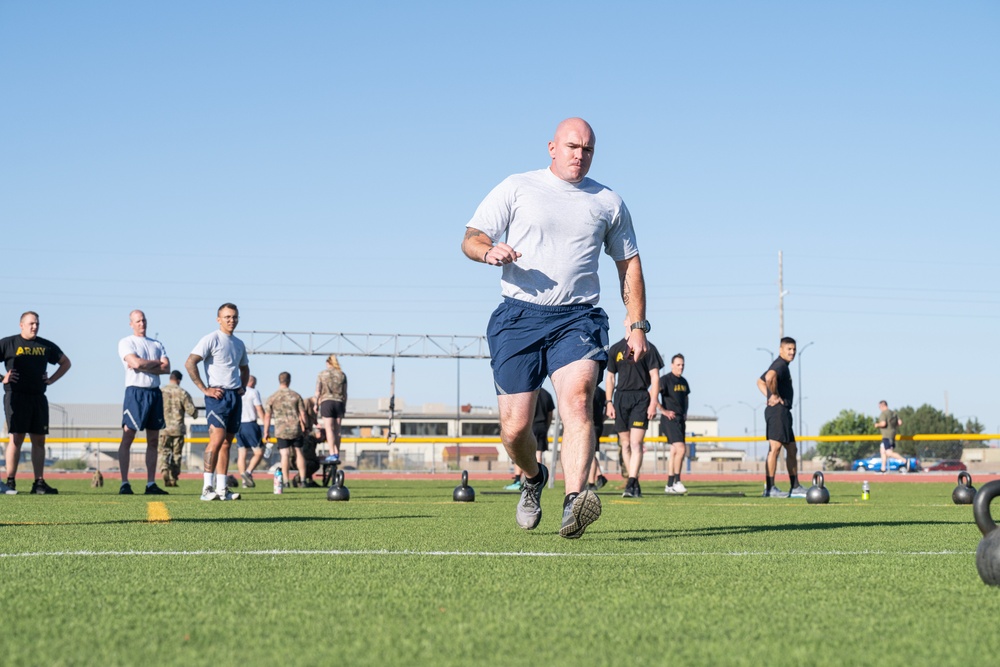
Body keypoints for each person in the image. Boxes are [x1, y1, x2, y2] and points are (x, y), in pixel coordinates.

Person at [461, 117, 649, 538]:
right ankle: (532, 478)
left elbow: (629, 263)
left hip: (577, 317)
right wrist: (488, 251)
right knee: (514, 428)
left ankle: (574, 502)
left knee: (579, 403)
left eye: (587, 149)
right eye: (571, 147)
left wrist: (636, 323)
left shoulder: (608, 202)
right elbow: (471, 237)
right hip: (519, 317)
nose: (579, 155)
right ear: (551, 147)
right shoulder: (517, 186)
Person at [1, 311, 71, 495]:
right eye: (31, 323)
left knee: (39, 439)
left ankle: (39, 483)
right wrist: (2, 378)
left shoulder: (45, 345)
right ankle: (10, 481)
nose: (34, 326)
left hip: (38, 397)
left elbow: (66, 363)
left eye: (37, 324)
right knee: (16, 438)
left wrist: (51, 380)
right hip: (16, 396)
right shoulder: (9, 343)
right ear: (21, 325)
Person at [184, 303, 249, 501]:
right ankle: (207, 488)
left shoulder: (239, 343)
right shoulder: (211, 339)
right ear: (218, 319)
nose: (232, 320)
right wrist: (205, 389)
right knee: (217, 440)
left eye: (234, 317)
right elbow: (190, 362)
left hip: (234, 397)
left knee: (228, 444)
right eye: (227, 317)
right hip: (217, 397)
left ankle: (222, 489)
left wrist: (242, 387)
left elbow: (245, 369)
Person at [116, 309, 171, 495]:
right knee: (128, 436)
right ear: (131, 323)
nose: (142, 323)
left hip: (154, 393)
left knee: (153, 440)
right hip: (135, 393)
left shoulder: (157, 344)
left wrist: (144, 364)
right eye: (138, 321)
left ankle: (150, 483)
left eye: (144, 320)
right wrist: (154, 363)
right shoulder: (126, 342)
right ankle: (124, 482)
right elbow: (135, 363)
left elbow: (166, 368)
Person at [606, 335, 663, 498]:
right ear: (625, 322)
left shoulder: (648, 348)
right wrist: (608, 402)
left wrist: (653, 403)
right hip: (621, 397)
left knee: (636, 443)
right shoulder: (616, 349)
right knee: (625, 444)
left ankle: (630, 483)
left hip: (640, 397)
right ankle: (634, 481)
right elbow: (610, 377)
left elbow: (655, 377)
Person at [756, 338, 806, 498]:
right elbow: (769, 377)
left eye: (794, 349)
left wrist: (770, 395)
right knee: (775, 448)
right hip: (777, 412)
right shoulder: (780, 365)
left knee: (792, 449)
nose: (792, 352)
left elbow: (759, 381)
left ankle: (795, 486)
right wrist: (774, 396)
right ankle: (770, 488)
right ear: (781, 350)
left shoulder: (783, 366)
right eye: (789, 349)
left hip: (784, 412)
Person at [504, 387, 555, 491]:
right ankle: (539, 479)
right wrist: (546, 427)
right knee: (538, 453)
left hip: (529, 426)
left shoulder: (528, 392)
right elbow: (550, 414)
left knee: (521, 452)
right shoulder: (547, 394)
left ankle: (518, 480)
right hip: (542, 426)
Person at [262, 371, 308, 488]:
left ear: (279, 381)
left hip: (281, 429)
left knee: (285, 454)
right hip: (295, 428)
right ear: (289, 381)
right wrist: (306, 427)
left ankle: (286, 481)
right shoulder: (296, 396)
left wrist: (266, 431)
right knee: (299, 452)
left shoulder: (272, 397)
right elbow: (303, 414)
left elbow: (267, 416)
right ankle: (303, 480)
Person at [158, 370, 196, 487]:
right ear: (179, 380)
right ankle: (173, 478)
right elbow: (191, 411)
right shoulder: (182, 393)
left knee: (164, 451)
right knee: (176, 454)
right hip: (178, 429)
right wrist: (195, 413)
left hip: (163, 428)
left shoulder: (161, 392)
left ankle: (164, 469)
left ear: (170, 378)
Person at [659, 353, 690, 494]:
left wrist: (685, 413)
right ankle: (678, 481)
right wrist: (663, 411)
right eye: (678, 364)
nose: (681, 367)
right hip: (669, 419)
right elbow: (652, 395)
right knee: (681, 449)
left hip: (680, 419)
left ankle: (669, 485)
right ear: (672, 365)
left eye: (682, 364)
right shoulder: (665, 380)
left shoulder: (684, 382)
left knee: (674, 451)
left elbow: (686, 398)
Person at [315, 354, 347, 463]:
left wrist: (316, 404)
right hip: (339, 403)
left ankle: (332, 453)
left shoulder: (322, 374)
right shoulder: (342, 375)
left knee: (329, 429)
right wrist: (344, 406)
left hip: (326, 402)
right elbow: (345, 393)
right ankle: (337, 453)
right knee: (337, 430)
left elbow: (317, 391)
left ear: (328, 363)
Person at [235, 375, 266, 488]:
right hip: (250, 424)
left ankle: (244, 480)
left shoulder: (236, 391)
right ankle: (248, 472)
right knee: (259, 452)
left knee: (242, 453)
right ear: (251, 382)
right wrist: (265, 425)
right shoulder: (253, 392)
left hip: (238, 424)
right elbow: (259, 409)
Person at [586, 383, 609, 491]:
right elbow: (609, 411)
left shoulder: (589, 390)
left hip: (590, 425)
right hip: (598, 425)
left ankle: (591, 483)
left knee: (590, 454)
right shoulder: (603, 392)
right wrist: (602, 420)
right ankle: (600, 476)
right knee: (591, 453)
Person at [876, 400, 907, 473]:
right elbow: (900, 422)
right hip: (892, 434)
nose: (879, 408)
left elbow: (883, 423)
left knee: (888, 452)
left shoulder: (884, 413)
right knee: (882, 451)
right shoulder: (894, 413)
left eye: (880, 407)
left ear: (883, 406)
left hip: (887, 435)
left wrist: (877, 425)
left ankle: (905, 461)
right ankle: (883, 469)